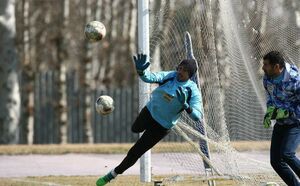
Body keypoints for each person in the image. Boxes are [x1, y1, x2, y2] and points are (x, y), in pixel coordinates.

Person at [96, 53, 203, 186]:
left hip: (162, 127)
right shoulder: (170, 75)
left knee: (135, 152)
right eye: (179, 68)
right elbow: (150, 77)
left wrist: (186, 106)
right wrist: (141, 72)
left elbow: (197, 116)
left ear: (190, 75)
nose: (180, 71)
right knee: (135, 128)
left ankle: (111, 175)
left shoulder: (193, 91)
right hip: (150, 112)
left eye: (184, 70)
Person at [262, 51, 300, 186]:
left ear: (277, 67)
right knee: (276, 162)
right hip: (280, 124)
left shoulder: (295, 79)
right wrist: (270, 113)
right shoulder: (267, 78)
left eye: (266, 65)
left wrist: (287, 113)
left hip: (296, 123)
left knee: (287, 154)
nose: (263, 68)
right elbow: (270, 99)